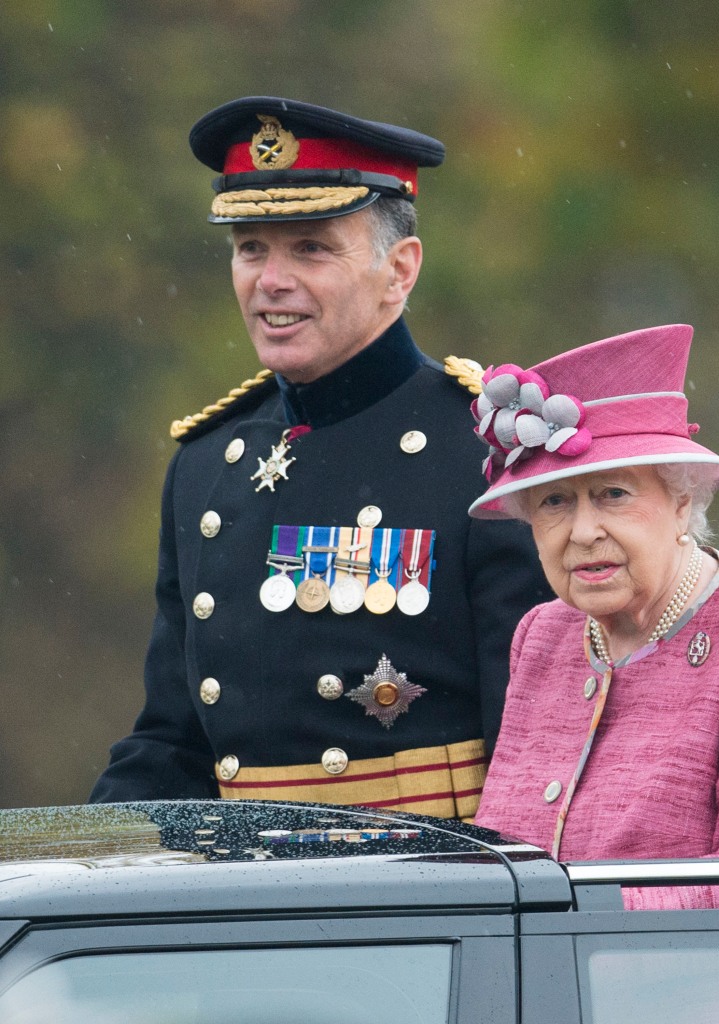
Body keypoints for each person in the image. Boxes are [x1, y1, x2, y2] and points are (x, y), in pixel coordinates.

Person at [89, 96, 549, 817]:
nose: (271, 279)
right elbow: (171, 745)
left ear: (399, 271)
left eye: (311, 248)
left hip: (436, 901)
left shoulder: (489, 450)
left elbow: (537, 746)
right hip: (242, 902)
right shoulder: (207, 465)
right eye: (251, 248)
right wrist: (72, 876)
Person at [469, 323, 719, 906]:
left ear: (683, 500)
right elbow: (501, 857)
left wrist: (573, 924)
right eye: (555, 501)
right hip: (554, 993)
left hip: (715, 994)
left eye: (613, 494)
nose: (583, 532)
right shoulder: (544, 634)